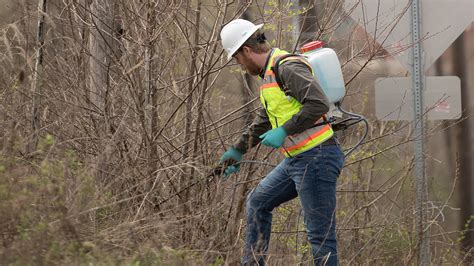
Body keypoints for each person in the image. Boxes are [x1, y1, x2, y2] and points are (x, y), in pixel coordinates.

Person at [219, 19, 345, 265]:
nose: (240, 65)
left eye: (237, 58)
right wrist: (237, 150)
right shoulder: (269, 74)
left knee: (320, 238)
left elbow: (318, 103)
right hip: (298, 159)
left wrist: (284, 131)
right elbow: (264, 119)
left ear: (246, 50)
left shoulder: (286, 67)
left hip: (317, 158)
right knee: (257, 203)